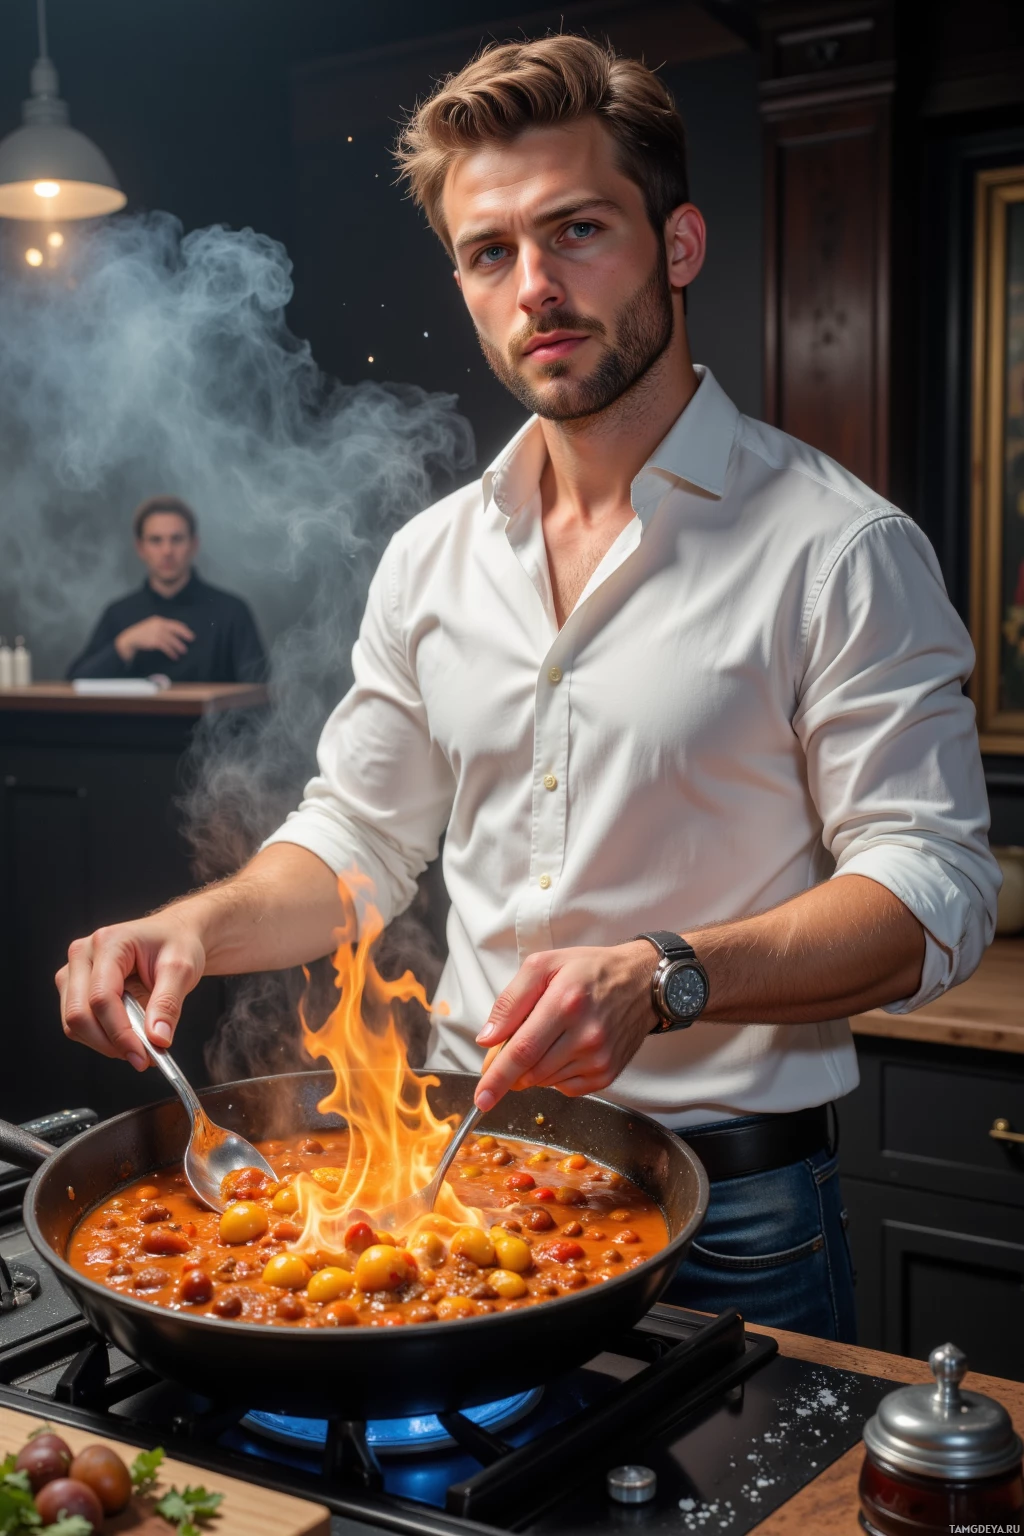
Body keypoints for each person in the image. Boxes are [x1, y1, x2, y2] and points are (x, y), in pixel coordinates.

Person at [56, 37, 999, 1342]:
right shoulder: (434, 557)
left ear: (677, 244)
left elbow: (935, 888)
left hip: (737, 1222)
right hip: (461, 1199)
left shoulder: (839, 549)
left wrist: (667, 975)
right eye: (491, 252)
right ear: (461, 280)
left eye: (579, 230)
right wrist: (194, 933)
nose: (537, 287)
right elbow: (356, 842)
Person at [67, 495, 266, 684]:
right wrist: (126, 644)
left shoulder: (231, 611)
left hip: (211, 722)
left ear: (194, 545)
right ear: (140, 547)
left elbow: (259, 692)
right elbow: (73, 684)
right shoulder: (118, 614)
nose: (167, 551)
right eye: (156, 540)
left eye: (177, 539)